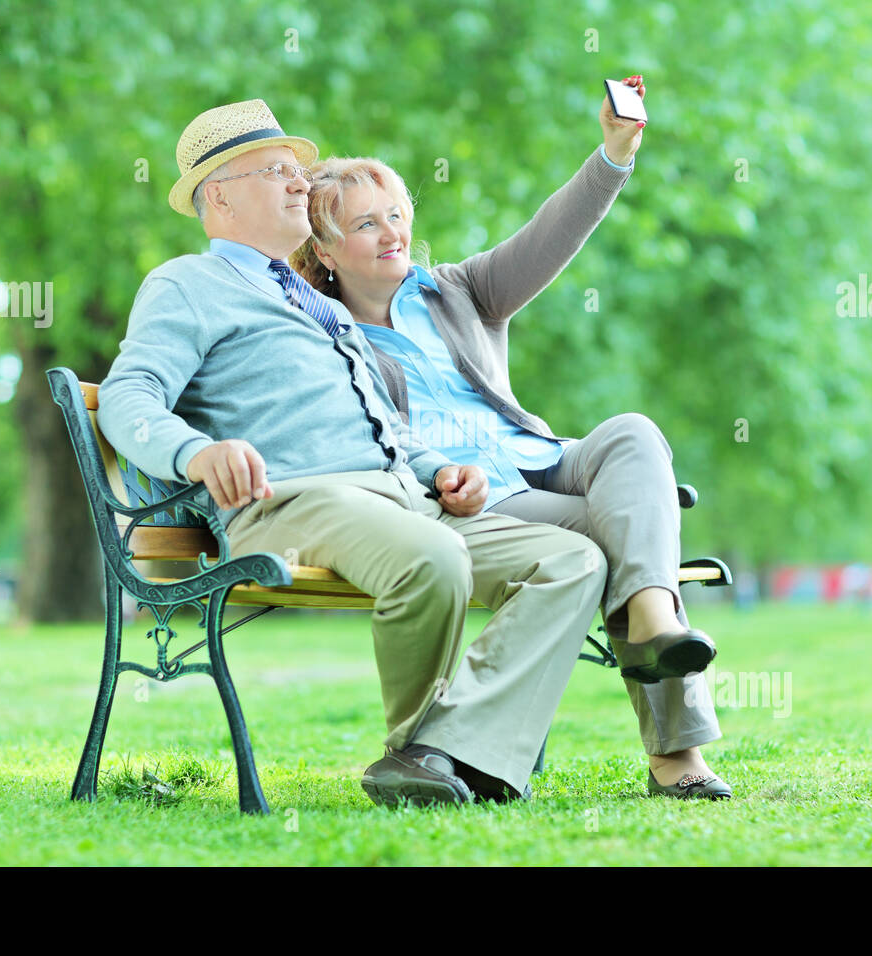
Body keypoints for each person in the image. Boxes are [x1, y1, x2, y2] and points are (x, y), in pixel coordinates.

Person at [98, 99, 610, 808]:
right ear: (219, 195)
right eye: (274, 171)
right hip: (292, 503)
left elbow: (383, 427)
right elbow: (129, 394)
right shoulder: (188, 284)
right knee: (433, 558)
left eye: (298, 171)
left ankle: (444, 752)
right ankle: (423, 751)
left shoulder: (324, 305)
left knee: (571, 560)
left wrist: (440, 471)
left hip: (399, 497)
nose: (298, 184)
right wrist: (194, 453)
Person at [292, 76, 732, 800]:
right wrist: (437, 476)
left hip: (544, 461)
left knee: (632, 432)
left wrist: (614, 153)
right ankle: (677, 760)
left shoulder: (458, 291)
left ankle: (652, 611)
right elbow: (364, 438)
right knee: (618, 538)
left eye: (397, 214)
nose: (394, 232)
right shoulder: (323, 336)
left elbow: (552, 234)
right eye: (368, 223)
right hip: (477, 503)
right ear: (326, 251)